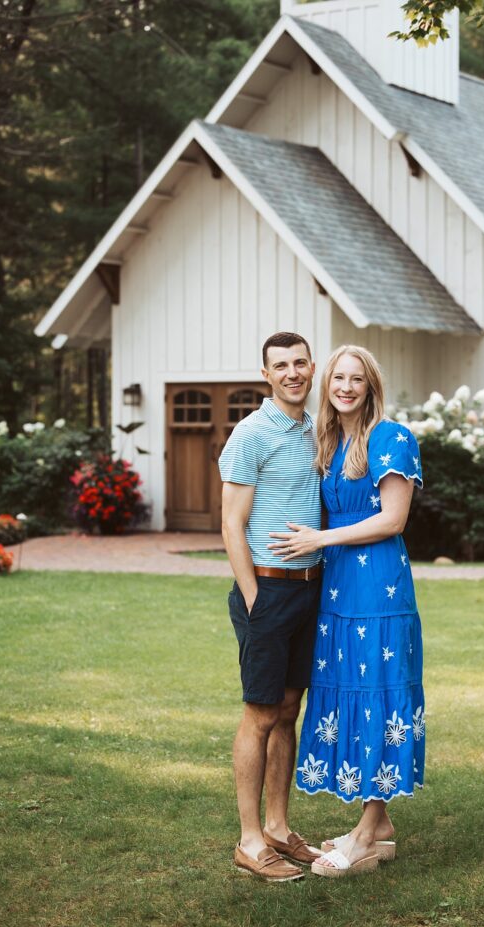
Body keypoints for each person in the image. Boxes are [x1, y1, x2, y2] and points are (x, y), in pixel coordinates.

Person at [268, 344, 425, 878]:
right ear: (326, 383)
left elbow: (393, 520)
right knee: (345, 691)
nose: (347, 387)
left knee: (377, 692)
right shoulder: (329, 441)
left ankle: (367, 830)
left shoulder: (392, 438)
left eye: (358, 378)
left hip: (378, 590)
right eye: (339, 377)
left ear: (371, 385)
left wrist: (321, 537)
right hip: (337, 592)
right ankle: (376, 827)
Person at [219, 331, 323, 882]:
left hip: (310, 590)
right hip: (268, 589)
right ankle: (249, 839)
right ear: (266, 374)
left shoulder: (315, 429)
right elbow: (231, 524)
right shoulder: (251, 433)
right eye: (280, 365)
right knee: (260, 713)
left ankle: (280, 827)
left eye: (300, 363)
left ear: (312, 367)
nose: (291, 373)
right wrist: (256, 597)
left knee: (289, 711)